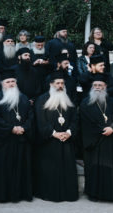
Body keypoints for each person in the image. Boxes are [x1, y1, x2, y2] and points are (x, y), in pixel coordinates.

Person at [79, 74, 113, 201]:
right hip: (94, 143)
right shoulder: (85, 103)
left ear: (105, 86)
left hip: (111, 141)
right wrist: (102, 130)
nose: (97, 87)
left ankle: (112, 194)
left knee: (112, 169)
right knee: (95, 169)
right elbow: (85, 123)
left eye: (100, 85)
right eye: (95, 85)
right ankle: (94, 194)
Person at [34, 71, 79, 202]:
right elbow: (40, 121)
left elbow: (75, 119)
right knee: (50, 169)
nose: (60, 86)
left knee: (67, 169)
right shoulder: (42, 99)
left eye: (62, 83)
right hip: (49, 142)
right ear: (51, 84)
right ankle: (50, 194)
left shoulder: (68, 98)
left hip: (66, 140)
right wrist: (54, 133)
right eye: (57, 83)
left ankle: (68, 194)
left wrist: (69, 132)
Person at [0, 69, 34, 202]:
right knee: (4, 168)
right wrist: (11, 129)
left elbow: (31, 116)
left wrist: (24, 128)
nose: (11, 84)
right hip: (4, 141)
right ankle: (4, 195)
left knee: (21, 168)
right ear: (2, 84)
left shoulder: (24, 98)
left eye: (13, 81)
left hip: (21, 139)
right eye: (8, 82)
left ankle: (20, 195)